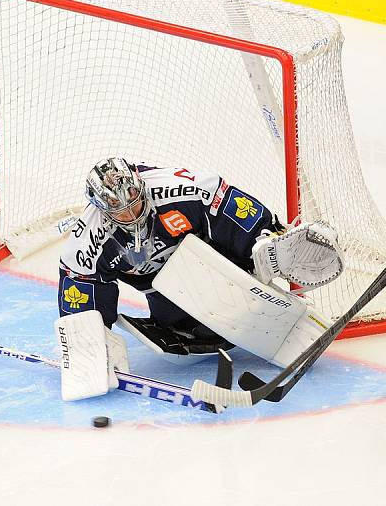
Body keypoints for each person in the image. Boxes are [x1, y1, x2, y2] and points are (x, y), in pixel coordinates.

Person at [55, 157, 343, 402]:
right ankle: (202, 326)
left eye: (135, 203)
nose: (131, 214)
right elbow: (80, 297)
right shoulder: (86, 243)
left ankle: (273, 255)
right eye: (121, 211)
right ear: (103, 211)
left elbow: (225, 200)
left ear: (141, 188)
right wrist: (89, 342)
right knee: (189, 326)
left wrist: (264, 238)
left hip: (221, 263)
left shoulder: (181, 188)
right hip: (168, 292)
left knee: (261, 247)